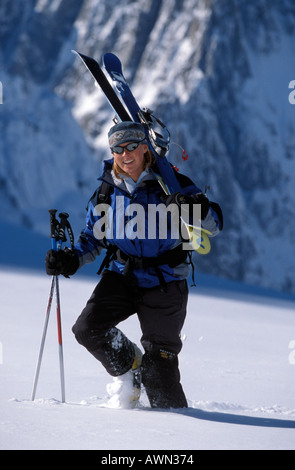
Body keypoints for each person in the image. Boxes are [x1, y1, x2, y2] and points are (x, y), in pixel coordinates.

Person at [45, 121, 223, 409]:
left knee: (160, 371)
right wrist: (70, 259)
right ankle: (132, 365)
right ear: (111, 151)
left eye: (131, 146)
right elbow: (93, 238)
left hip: (165, 280)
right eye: (117, 148)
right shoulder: (107, 191)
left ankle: (176, 434)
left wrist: (196, 208)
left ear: (145, 148)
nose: (125, 154)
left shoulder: (170, 184)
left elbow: (213, 224)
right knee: (87, 329)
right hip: (122, 275)